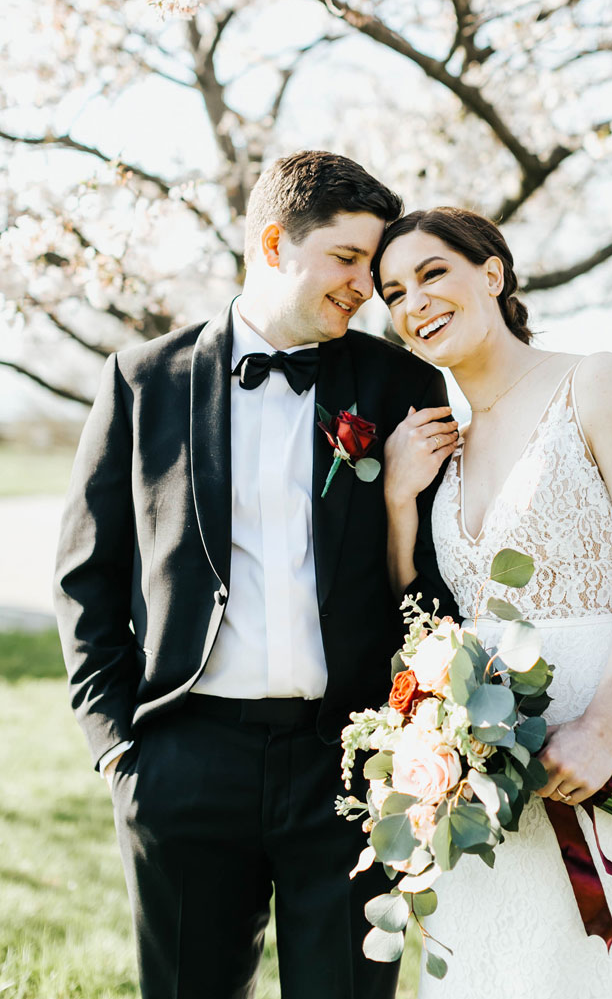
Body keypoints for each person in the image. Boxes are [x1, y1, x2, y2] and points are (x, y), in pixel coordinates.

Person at [53, 152, 458, 999]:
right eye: (347, 260)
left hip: (348, 765)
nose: (365, 286)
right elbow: (86, 577)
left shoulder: (402, 386)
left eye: (372, 267)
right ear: (274, 243)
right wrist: (117, 748)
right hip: (183, 761)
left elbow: (433, 578)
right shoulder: (140, 381)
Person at [375, 207, 612, 999]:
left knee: (573, 972)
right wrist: (398, 503)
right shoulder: (441, 449)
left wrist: (602, 728)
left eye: (431, 272)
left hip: (592, 747)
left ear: (492, 273)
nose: (413, 300)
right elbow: (421, 609)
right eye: (392, 290)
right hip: (478, 770)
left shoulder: (594, 380)